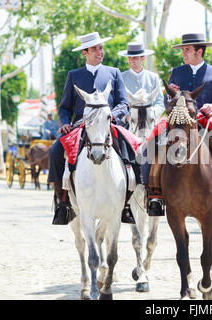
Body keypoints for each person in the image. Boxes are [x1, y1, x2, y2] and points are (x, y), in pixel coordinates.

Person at [145, 33, 212, 216]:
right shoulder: (177, 72)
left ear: (199, 51)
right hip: (178, 122)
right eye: (183, 50)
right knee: (153, 141)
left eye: (187, 49)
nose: (183, 53)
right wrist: (170, 97)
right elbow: (166, 101)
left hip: (203, 120)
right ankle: (154, 194)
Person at [47, 31, 130, 223]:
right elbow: (65, 107)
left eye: (100, 48)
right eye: (94, 49)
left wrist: (111, 116)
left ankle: (128, 202)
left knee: (133, 152)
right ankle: (63, 203)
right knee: (54, 152)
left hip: (109, 125)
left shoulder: (114, 73)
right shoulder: (74, 75)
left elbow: (123, 103)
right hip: (79, 128)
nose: (100, 52)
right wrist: (65, 122)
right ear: (85, 53)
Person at [119, 42, 165, 137]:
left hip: (150, 126)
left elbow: (160, 103)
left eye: (135, 57)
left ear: (143, 58)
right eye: (129, 58)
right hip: (128, 126)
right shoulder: (121, 77)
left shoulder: (153, 77)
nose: (132, 60)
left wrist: (151, 114)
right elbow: (119, 102)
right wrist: (126, 116)